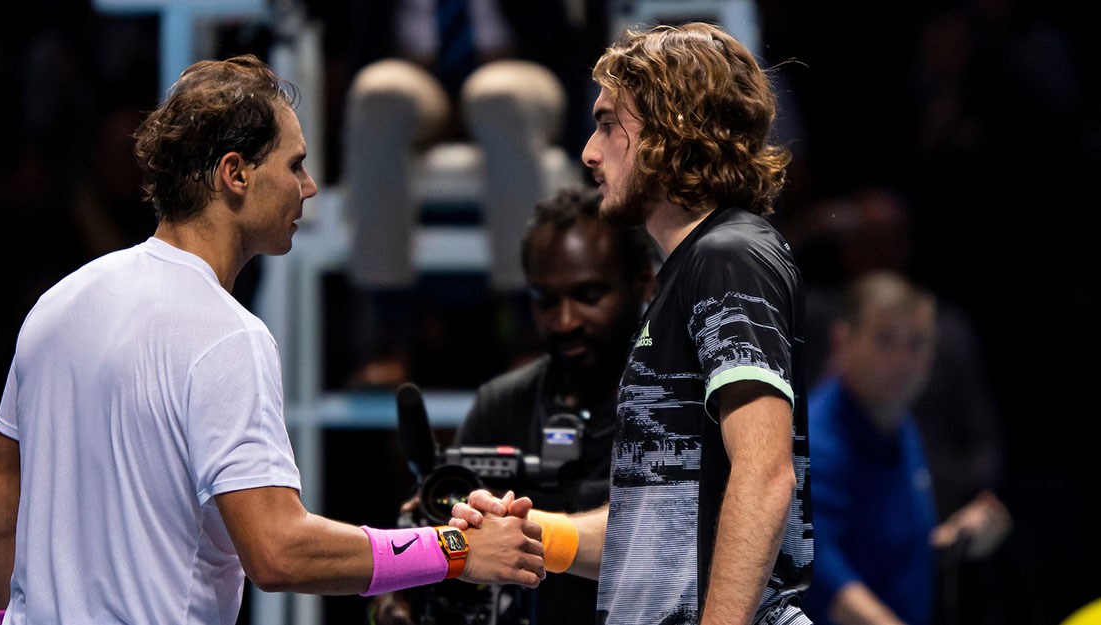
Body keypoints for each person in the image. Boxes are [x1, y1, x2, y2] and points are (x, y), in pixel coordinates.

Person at [0, 54, 545, 625]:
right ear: (236, 173)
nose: (311, 186)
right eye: (295, 165)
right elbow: (277, 552)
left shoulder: (58, 303)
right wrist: (455, 551)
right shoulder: (227, 336)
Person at [453, 23, 813, 625]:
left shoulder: (728, 257)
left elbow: (764, 473)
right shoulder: (696, 267)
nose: (590, 153)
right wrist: (533, 531)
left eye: (607, 123)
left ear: (670, 128)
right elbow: (661, 534)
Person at [375, 186, 657, 624]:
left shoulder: (676, 401)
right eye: (546, 300)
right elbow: (443, 544)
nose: (565, 322)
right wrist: (403, 593)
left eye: (588, 296)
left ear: (644, 281)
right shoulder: (501, 404)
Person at [802, 272, 1010, 625]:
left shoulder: (899, 423)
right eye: (885, 340)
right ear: (843, 342)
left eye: (917, 343)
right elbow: (820, 574)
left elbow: (886, 550)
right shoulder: (816, 439)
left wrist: (957, 537)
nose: (903, 360)